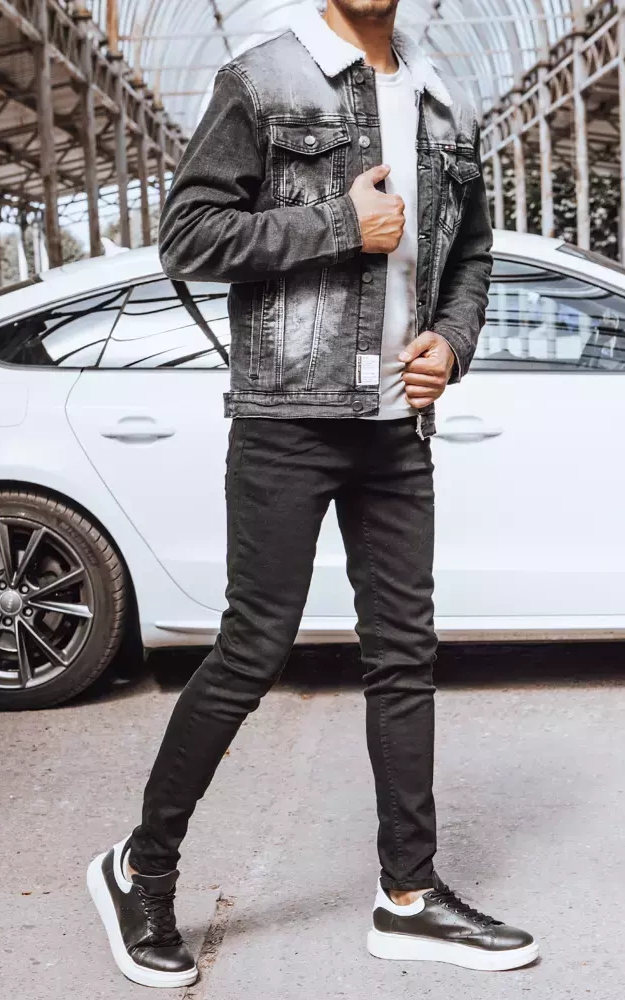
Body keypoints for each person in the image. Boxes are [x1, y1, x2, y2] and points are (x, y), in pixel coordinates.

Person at [87, 0, 538, 986]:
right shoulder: (265, 79)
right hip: (287, 419)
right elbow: (188, 237)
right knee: (252, 650)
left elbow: (472, 256)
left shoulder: (445, 100)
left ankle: (408, 896)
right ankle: (141, 866)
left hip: (397, 427)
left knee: (405, 657)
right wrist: (342, 224)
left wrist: (452, 343)